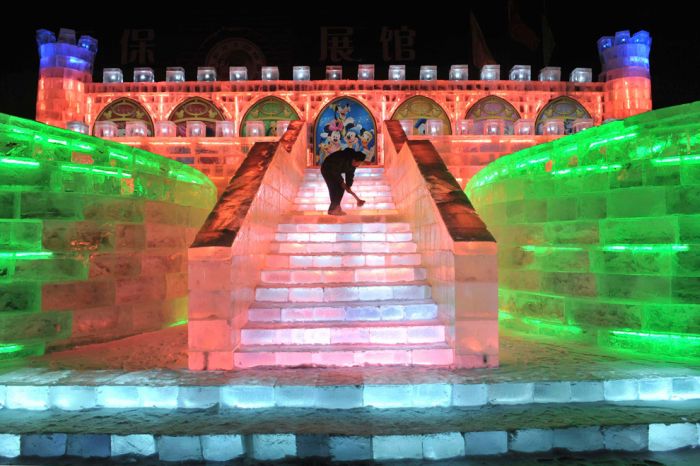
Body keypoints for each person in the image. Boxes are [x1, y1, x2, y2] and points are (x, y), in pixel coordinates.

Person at [320, 148, 365, 216]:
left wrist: (348, 185)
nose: (358, 165)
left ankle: (336, 208)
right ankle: (333, 209)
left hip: (336, 171)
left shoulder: (353, 164)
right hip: (327, 169)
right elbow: (334, 171)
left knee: (341, 188)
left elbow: (350, 175)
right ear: (354, 160)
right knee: (334, 187)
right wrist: (341, 182)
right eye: (358, 163)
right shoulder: (341, 158)